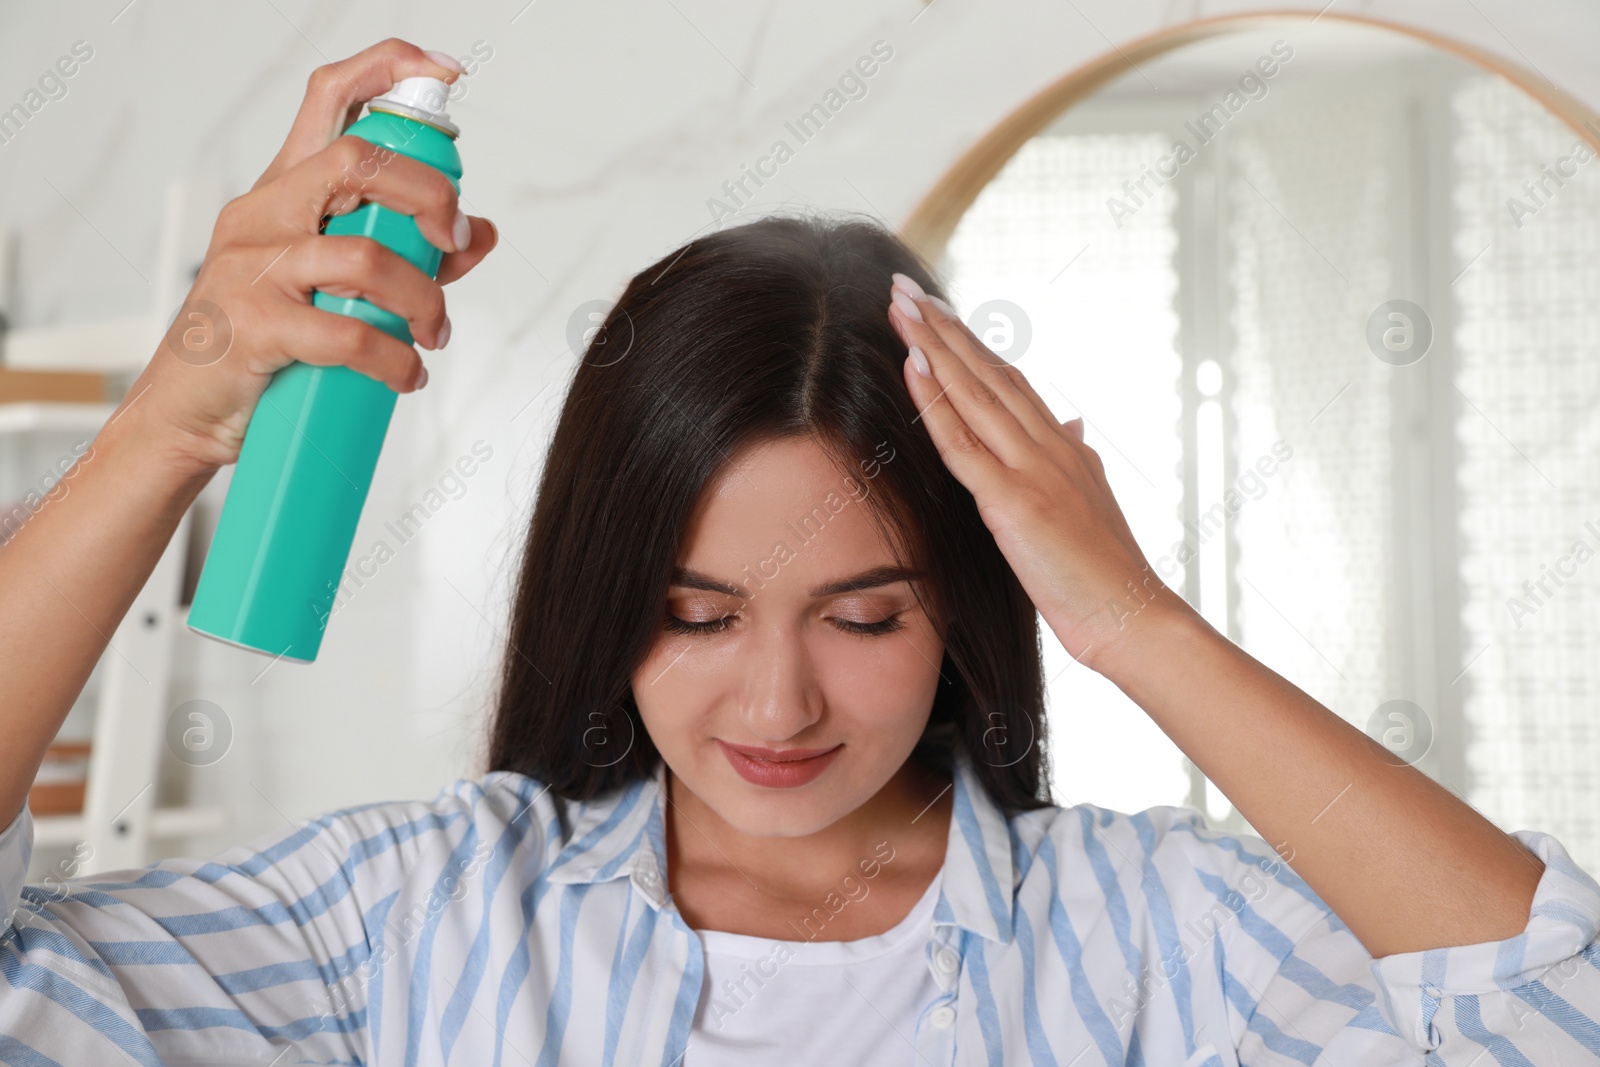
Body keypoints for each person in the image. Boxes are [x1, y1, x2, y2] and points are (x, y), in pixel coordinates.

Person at [2, 36, 1598, 1067]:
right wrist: (170, 427)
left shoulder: (1149, 939)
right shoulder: (424, 919)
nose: (776, 707)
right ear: (607, 597)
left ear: (965, 606)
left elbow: (1552, 1011)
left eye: (865, 615)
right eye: (696, 614)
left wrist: (1134, 618)